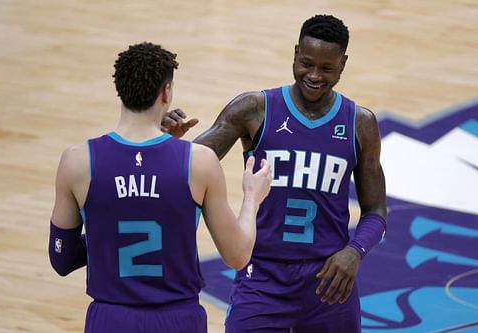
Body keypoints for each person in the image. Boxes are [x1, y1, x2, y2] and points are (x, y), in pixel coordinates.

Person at [165, 14, 387, 333]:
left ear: (343, 63)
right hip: (263, 278)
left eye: (326, 68)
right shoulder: (253, 109)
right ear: (295, 52)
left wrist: (356, 251)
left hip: (330, 283)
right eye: (306, 63)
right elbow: (184, 172)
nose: (313, 75)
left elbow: (377, 212)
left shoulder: (360, 123)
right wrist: (167, 143)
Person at [48, 42, 271, 333]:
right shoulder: (198, 162)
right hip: (177, 319)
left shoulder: (77, 162)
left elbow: (62, 258)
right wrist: (252, 197)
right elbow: (237, 255)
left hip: (110, 319)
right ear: (166, 92)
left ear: (120, 89)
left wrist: (109, 233)